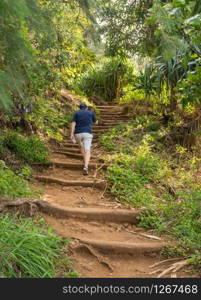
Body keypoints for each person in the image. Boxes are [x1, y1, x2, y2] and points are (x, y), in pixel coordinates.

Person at [70, 103, 98, 175]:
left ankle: (84, 159)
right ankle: (85, 166)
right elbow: (96, 122)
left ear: (80, 108)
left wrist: (71, 134)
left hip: (78, 133)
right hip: (87, 133)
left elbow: (73, 123)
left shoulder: (76, 113)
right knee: (87, 150)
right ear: (86, 107)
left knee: (81, 147)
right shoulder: (91, 113)